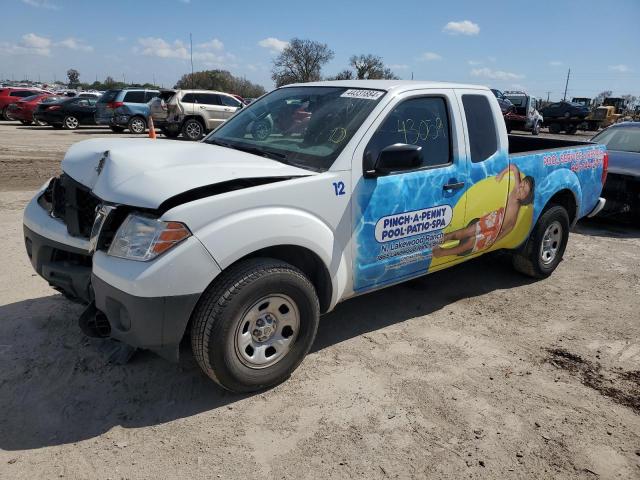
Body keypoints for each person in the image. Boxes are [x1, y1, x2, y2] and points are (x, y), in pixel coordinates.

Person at [432, 164, 535, 258]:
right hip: (493, 218)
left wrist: (496, 240)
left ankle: (442, 253)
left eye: (524, 191)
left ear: (526, 197)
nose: (521, 189)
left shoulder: (517, 208)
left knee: (470, 243)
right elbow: (513, 167)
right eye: (522, 184)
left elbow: (510, 228)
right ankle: (441, 238)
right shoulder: (516, 187)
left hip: (495, 230)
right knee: (467, 232)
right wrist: (501, 174)